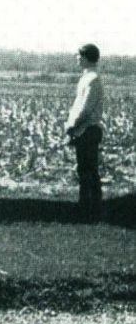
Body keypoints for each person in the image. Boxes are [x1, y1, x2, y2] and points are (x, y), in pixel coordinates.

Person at [65, 43, 104, 221]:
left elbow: (86, 109)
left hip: (88, 130)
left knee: (88, 171)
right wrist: (72, 126)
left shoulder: (92, 79)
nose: (77, 59)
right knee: (86, 170)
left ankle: (89, 208)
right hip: (84, 130)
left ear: (87, 58)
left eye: (79, 56)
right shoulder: (87, 78)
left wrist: (72, 125)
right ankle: (91, 207)